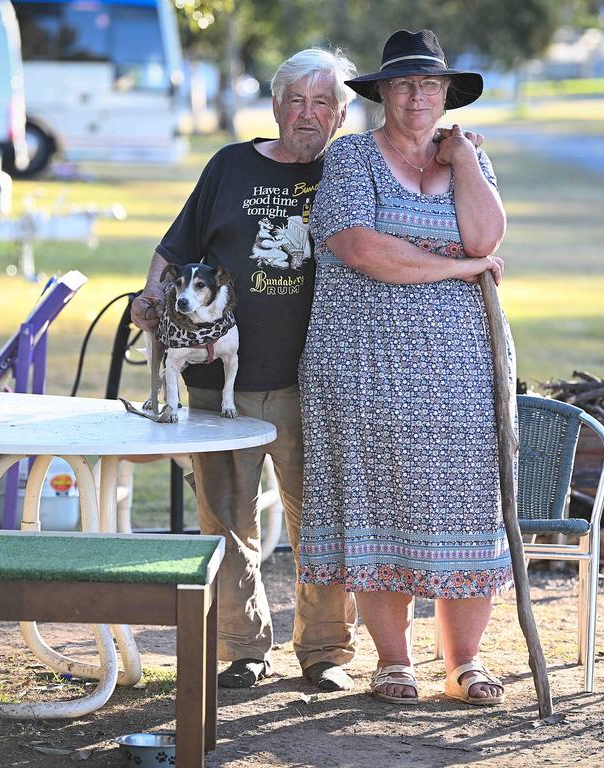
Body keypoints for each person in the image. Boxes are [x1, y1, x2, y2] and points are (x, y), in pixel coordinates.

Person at [131, 48, 360, 691]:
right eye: (296, 100)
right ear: (277, 106)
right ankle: (243, 647)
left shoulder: (350, 171)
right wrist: (151, 301)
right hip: (216, 378)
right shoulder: (229, 165)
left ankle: (324, 651)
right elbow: (174, 250)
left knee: (318, 515)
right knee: (226, 516)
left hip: (312, 382)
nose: (308, 115)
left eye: (323, 103)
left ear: (342, 115)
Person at [296, 29, 514, 706]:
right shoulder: (351, 158)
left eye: (429, 85)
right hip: (359, 365)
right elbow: (362, 248)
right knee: (378, 502)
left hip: (460, 371)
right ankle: (394, 661)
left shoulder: (469, 160)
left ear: (446, 93)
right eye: (402, 84)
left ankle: (464, 664)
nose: (416, 98)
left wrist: (467, 161)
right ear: (383, 92)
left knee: (466, 507)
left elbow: (487, 237)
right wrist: (458, 268)